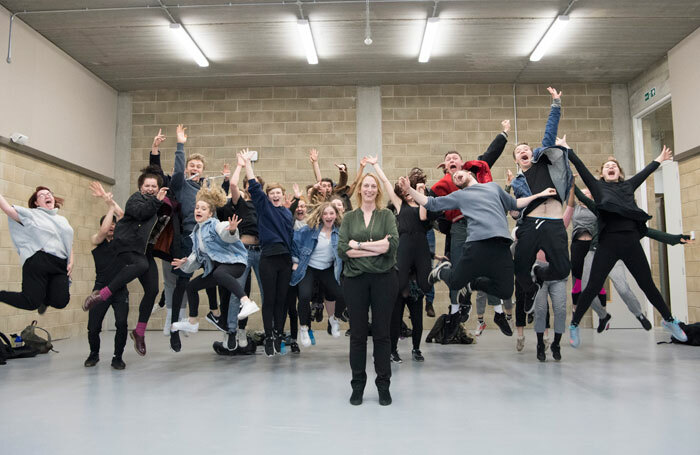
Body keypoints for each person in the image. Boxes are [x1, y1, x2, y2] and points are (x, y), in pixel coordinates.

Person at [566, 143, 687, 346]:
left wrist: (659, 159)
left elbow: (645, 173)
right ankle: (574, 325)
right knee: (593, 285)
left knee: (647, 284)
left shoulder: (628, 186)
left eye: (614, 165)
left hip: (630, 242)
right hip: (608, 244)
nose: (611, 167)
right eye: (607, 166)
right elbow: (580, 166)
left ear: (619, 173)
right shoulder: (597, 187)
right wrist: (567, 149)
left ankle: (669, 320)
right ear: (602, 174)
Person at [401, 171, 555, 310]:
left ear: (469, 173)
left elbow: (515, 204)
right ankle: (442, 272)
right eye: (454, 178)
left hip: (501, 246)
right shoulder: (460, 195)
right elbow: (431, 203)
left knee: (506, 291)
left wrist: (539, 194)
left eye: (458, 174)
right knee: (455, 282)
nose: (456, 176)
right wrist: (409, 190)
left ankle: (472, 284)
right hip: (477, 245)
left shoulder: (493, 187)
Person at [82, 167, 169, 356]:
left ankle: (139, 332)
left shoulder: (157, 204)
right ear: (140, 187)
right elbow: (139, 212)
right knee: (141, 265)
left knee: (153, 289)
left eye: (154, 186)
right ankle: (102, 295)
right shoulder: (136, 200)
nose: (151, 188)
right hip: (127, 246)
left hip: (144, 251)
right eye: (147, 185)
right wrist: (109, 202)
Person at [431, 119, 511, 322]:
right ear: (446, 166)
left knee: (489, 266)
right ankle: (456, 308)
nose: (452, 159)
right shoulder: (443, 183)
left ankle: (498, 311)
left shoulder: (472, 173)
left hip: (482, 229)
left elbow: (490, 154)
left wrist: (504, 133)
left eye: (455, 158)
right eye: (448, 159)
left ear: (462, 164)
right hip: (459, 226)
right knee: (458, 269)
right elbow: (431, 204)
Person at [170, 186, 257, 352]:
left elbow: (225, 233)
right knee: (191, 286)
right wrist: (185, 263)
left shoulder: (215, 224)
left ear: (210, 213)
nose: (199, 210)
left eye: (203, 208)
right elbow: (197, 257)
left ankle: (247, 302)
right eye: (197, 208)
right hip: (221, 270)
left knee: (219, 273)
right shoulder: (196, 233)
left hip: (235, 263)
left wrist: (231, 230)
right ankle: (193, 322)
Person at [338, 172, 399, 406]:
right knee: (358, 335)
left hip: (384, 279)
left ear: (378, 191)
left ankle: (383, 385)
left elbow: (390, 246)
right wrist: (376, 249)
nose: (369, 189)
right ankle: (358, 386)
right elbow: (343, 249)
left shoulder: (386, 215)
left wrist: (360, 246)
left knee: (383, 335)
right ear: (360, 190)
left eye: (373, 186)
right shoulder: (350, 217)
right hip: (355, 280)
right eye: (366, 186)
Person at [510, 88, 573, 313]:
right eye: (519, 151)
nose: (524, 151)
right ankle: (529, 290)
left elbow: (550, 131)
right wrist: (514, 211)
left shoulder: (543, 162)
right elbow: (516, 208)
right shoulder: (517, 181)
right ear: (517, 160)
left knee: (563, 269)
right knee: (519, 268)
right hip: (531, 225)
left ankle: (539, 275)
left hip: (554, 223)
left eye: (526, 148)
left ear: (532, 153)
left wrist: (556, 103)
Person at [370, 157, 431, 363]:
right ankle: (393, 349)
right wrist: (376, 165)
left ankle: (416, 349)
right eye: (405, 191)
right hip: (404, 246)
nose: (407, 193)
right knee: (397, 301)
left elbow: (423, 216)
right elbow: (386, 183)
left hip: (420, 245)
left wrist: (421, 192)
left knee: (423, 290)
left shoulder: (423, 202)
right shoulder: (399, 205)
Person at [242, 149, 294, 356]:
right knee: (269, 299)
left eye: (277, 193)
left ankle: (279, 334)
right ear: (268, 195)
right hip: (268, 258)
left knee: (282, 300)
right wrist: (247, 163)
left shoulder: (287, 213)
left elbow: (292, 237)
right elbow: (254, 187)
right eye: (271, 192)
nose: (274, 195)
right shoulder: (264, 207)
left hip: (285, 259)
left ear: (282, 196)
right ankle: (270, 335)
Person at [0, 186, 74, 313]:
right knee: (31, 302)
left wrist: (71, 261)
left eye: (49, 193)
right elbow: (7, 208)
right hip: (39, 261)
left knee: (61, 301)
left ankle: (44, 300)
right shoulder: (31, 214)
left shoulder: (62, 220)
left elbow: (69, 244)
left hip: (60, 264)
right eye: (42, 195)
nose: (47, 196)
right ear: (36, 202)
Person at [84, 182, 129, 370]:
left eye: (114, 225)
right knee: (93, 327)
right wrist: (109, 207)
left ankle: (117, 357)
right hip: (100, 288)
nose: (111, 227)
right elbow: (103, 231)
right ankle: (94, 354)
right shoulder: (97, 241)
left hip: (119, 290)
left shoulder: (122, 242)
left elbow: (123, 217)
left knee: (121, 324)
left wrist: (109, 201)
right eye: (108, 224)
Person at [291, 202, 344, 348]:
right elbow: (294, 241)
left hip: (327, 269)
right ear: (320, 216)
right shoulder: (309, 230)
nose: (328, 216)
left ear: (336, 215)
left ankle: (334, 319)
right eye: (325, 214)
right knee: (304, 296)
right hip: (309, 267)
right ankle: (304, 328)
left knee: (342, 294)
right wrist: (295, 262)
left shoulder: (340, 231)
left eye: (331, 213)